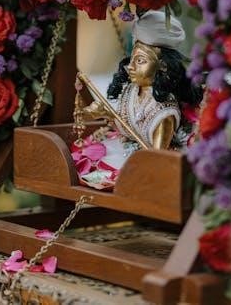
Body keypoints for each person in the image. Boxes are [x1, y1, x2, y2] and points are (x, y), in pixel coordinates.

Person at [71, 11, 202, 189]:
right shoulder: (132, 89)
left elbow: (157, 157)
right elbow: (128, 126)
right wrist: (106, 114)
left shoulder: (164, 113)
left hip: (148, 161)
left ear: (162, 66)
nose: (130, 67)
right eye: (132, 59)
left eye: (140, 61)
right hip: (127, 150)